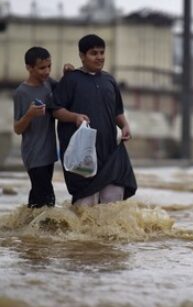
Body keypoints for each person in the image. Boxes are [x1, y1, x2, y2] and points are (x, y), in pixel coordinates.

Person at [53, 34, 137, 206]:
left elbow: (117, 111)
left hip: (109, 153)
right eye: (93, 53)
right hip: (81, 154)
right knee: (85, 206)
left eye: (102, 53)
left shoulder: (109, 80)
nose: (99, 57)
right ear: (82, 56)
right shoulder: (70, 79)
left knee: (113, 204)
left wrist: (125, 126)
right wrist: (74, 117)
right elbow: (55, 110)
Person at [13, 47, 60, 208]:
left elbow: (65, 88)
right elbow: (17, 129)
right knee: (48, 200)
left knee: (37, 200)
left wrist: (68, 72)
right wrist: (30, 114)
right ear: (29, 67)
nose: (46, 71)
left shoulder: (49, 83)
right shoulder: (22, 92)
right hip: (34, 155)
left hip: (49, 153)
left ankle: (25, 229)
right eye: (41, 68)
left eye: (49, 66)